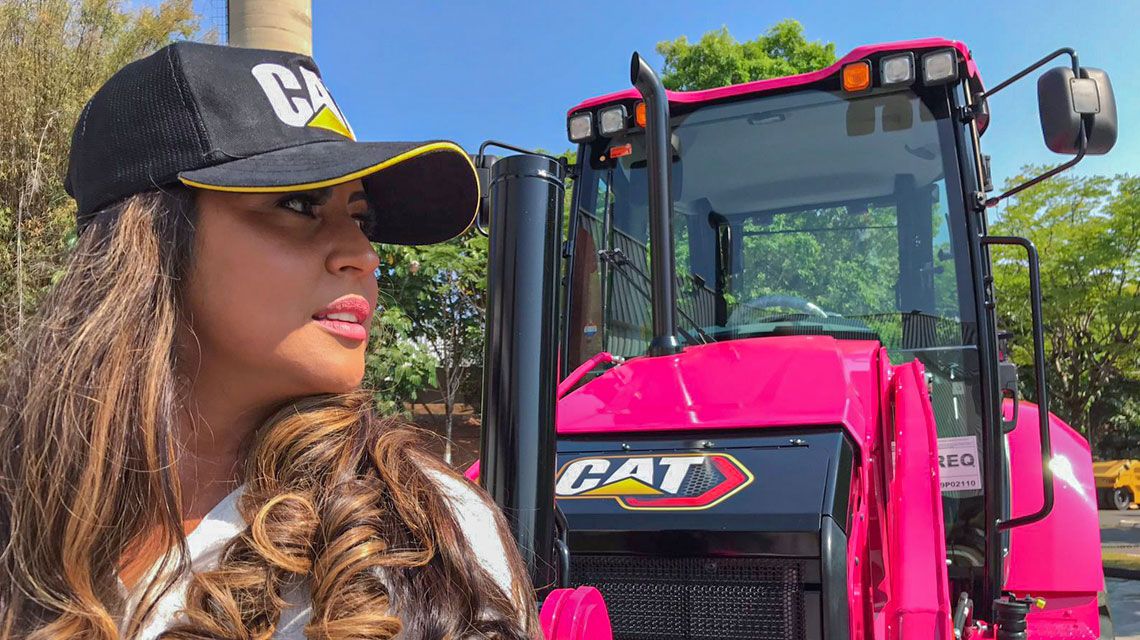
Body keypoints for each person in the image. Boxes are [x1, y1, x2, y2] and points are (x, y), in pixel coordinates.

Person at [0, 41, 540, 640]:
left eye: (362, 218)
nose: (362, 254)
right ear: (147, 243)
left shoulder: (421, 539)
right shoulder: (23, 507)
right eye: (300, 204)